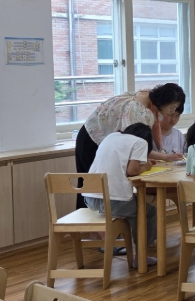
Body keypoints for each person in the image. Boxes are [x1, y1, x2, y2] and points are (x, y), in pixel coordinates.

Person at [74, 83, 186, 208]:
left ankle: (104, 216)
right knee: (89, 185)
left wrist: (161, 150)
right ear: (163, 102)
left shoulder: (152, 98)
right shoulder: (137, 111)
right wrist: (165, 157)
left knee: (97, 188)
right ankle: (88, 218)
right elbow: (133, 145)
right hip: (92, 138)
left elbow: (155, 126)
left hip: (105, 138)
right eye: (172, 107)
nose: (173, 111)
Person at [81, 123, 158, 269]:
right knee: (148, 212)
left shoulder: (111, 136)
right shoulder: (140, 142)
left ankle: (134, 248)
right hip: (113, 202)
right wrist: (146, 166)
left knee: (134, 207)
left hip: (90, 199)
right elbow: (132, 171)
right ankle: (141, 256)